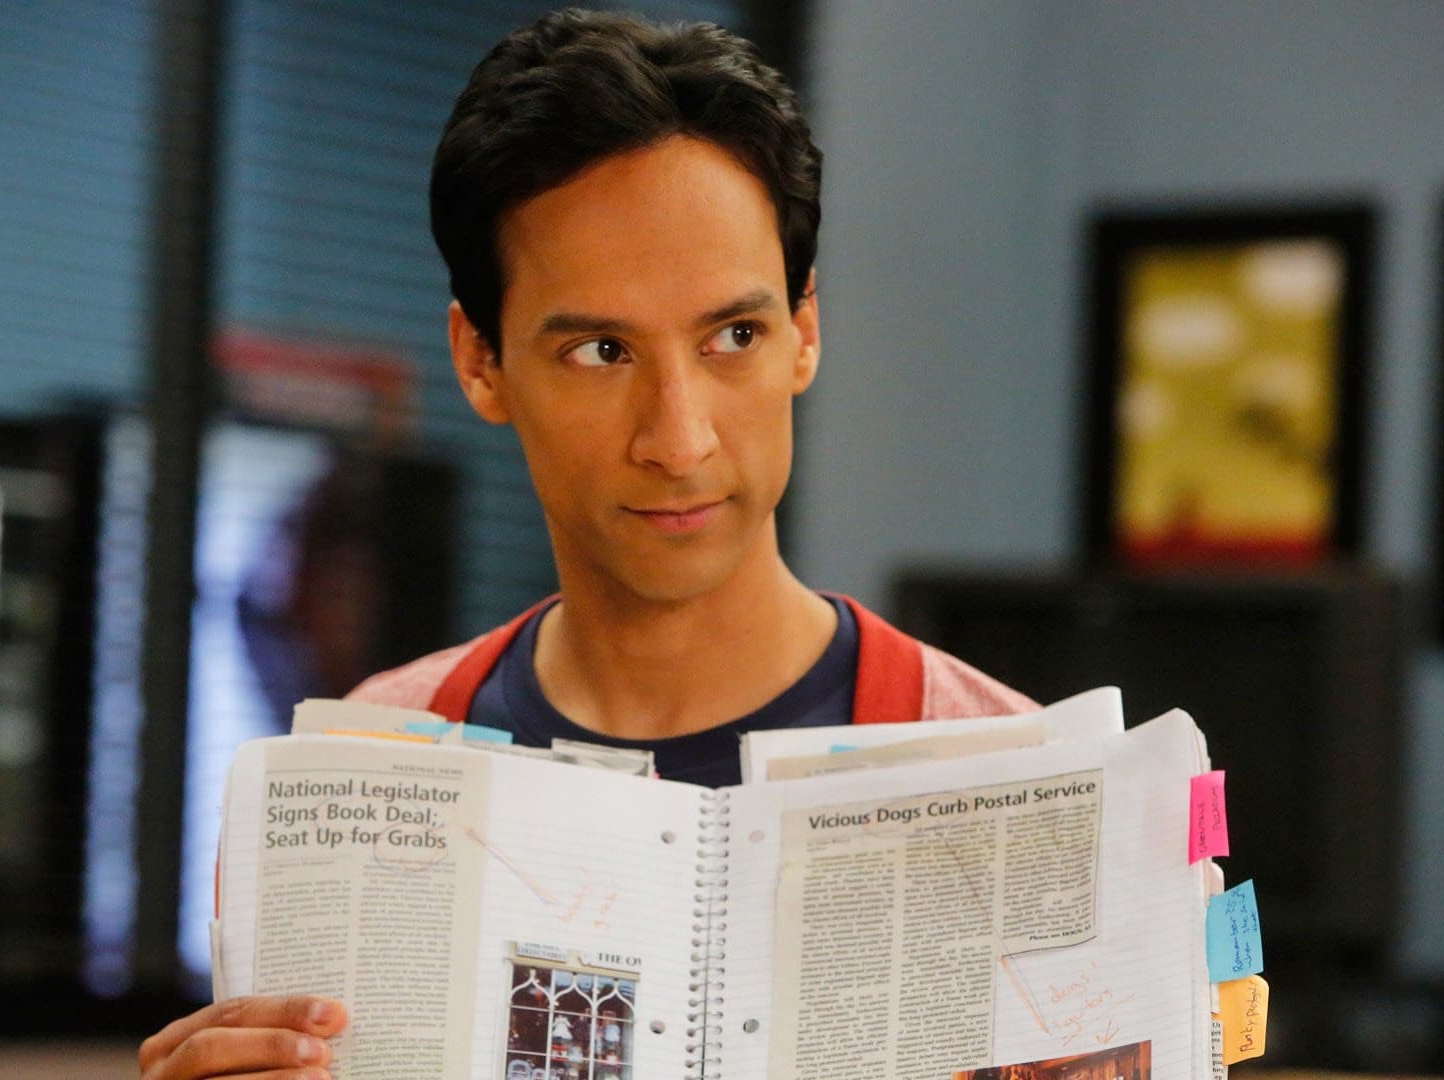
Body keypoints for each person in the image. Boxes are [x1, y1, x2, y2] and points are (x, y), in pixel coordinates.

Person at [138, 10, 1033, 1078]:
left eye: (733, 336)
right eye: (602, 350)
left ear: (805, 330)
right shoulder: (357, 788)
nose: (680, 439)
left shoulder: (1014, 779)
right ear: (480, 361)